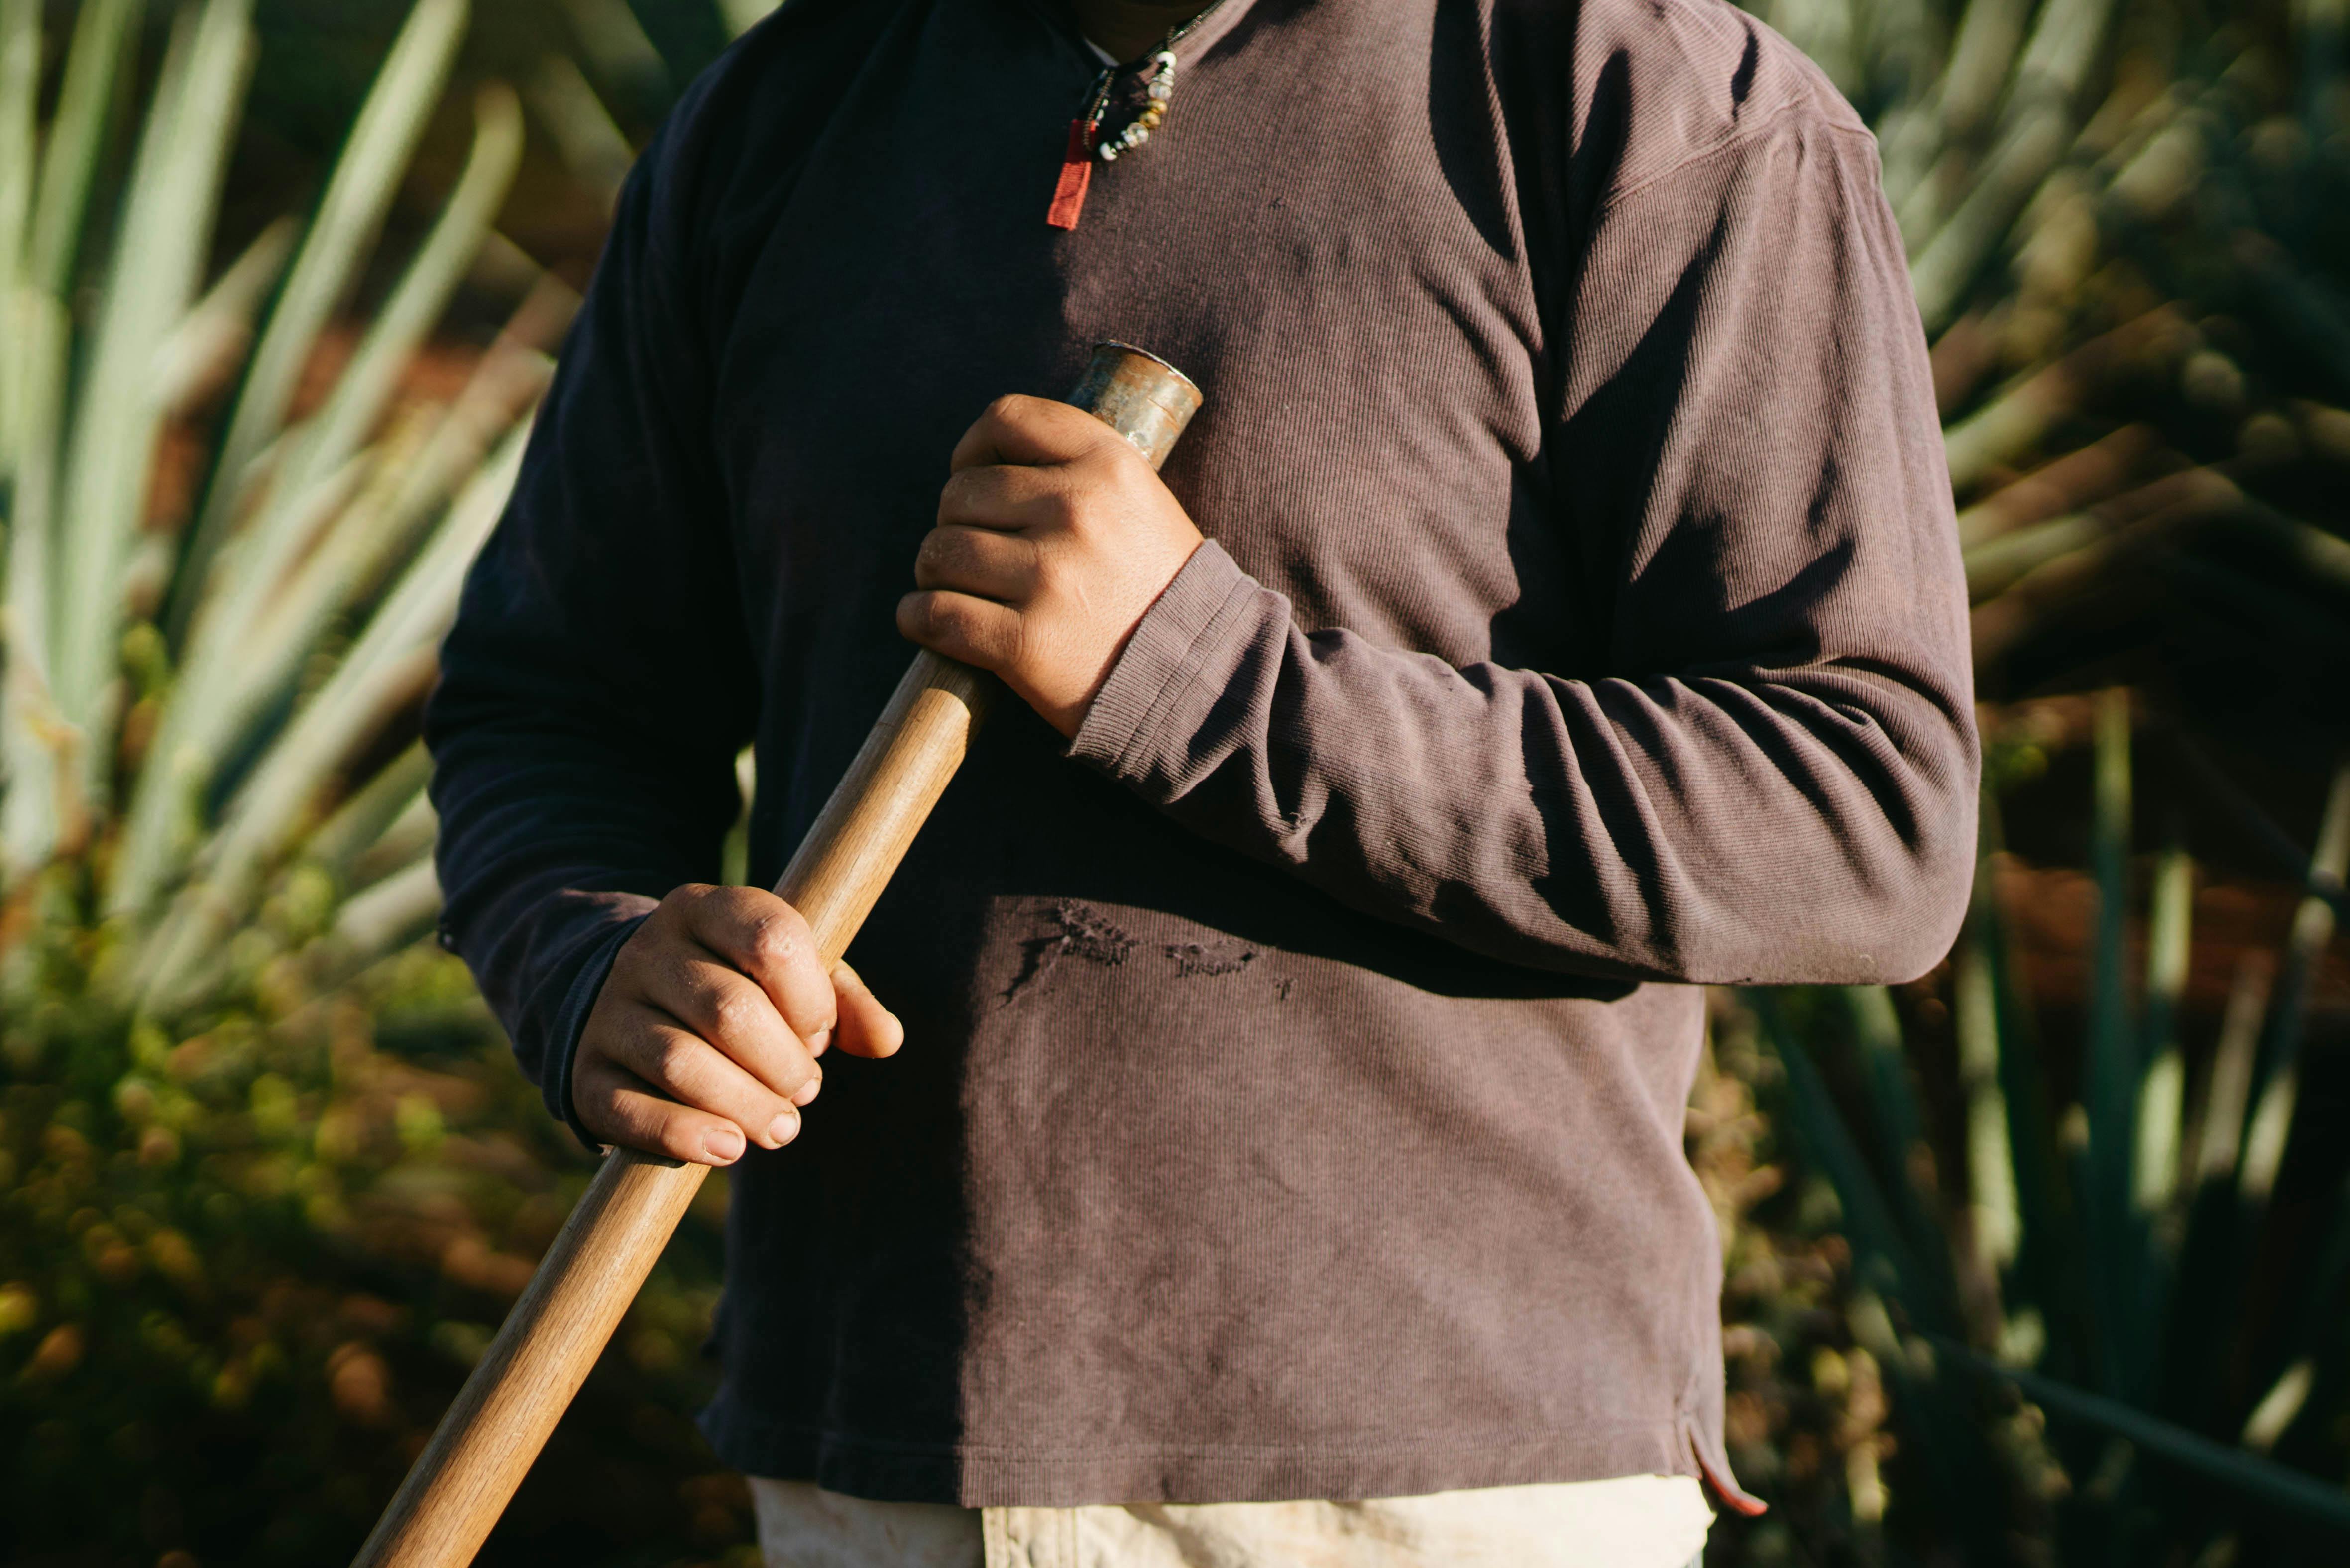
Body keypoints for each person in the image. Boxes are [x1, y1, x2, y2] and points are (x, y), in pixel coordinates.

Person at [426, 0, 1978, 1561]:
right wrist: (594, 958)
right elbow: (553, 704)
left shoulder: (1640, 103)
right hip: (880, 1471)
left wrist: (1192, 676)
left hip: (1421, 1490)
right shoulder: (780, 116)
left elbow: (1863, 816)